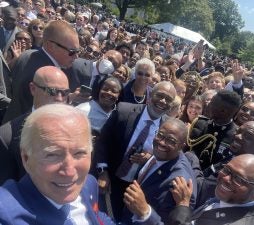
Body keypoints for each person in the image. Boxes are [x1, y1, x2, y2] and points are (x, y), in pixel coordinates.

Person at [0, 104, 114, 224]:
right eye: (53, 155)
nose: (69, 172)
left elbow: (97, 217)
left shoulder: (89, 184)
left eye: (79, 153)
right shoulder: (6, 213)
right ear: (26, 159)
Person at [93, 81, 177, 221]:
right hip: (109, 180)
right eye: (160, 95)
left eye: (168, 99)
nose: (163, 101)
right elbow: (103, 142)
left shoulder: (169, 127)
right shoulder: (123, 110)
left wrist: (151, 158)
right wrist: (102, 172)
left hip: (137, 190)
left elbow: (168, 159)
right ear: (150, 95)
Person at [0, 66, 70, 184]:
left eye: (65, 93)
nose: (59, 98)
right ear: (33, 89)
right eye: (52, 91)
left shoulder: (74, 127)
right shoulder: (7, 136)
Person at [3, 20, 82, 123]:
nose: (76, 56)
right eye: (72, 52)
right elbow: (47, 110)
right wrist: (69, 98)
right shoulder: (48, 74)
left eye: (78, 51)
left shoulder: (27, 54)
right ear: (50, 46)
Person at [122, 119, 197, 224]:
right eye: (160, 134)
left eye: (171, 140)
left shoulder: (178, 182)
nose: (162, 142)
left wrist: (145, 212)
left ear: (181, 146)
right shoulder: (162, 155)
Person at [192, 154, 254, 224]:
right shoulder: (230, 198)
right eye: (226, 170)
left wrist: (183, 206)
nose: (225, 178)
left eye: (239, 179)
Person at [186, 90, 242, 170]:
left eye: (212, 103)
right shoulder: (200, 123)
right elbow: (188, 150)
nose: (208, 105)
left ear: (223, 111)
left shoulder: (236, 136)